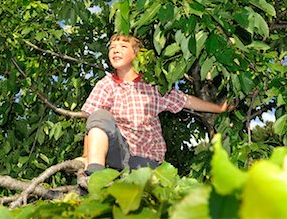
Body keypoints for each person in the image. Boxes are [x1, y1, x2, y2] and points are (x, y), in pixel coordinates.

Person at [78, 34, 231, 175]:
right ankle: (94, 172)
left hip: (146, 155)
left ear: (136, 54)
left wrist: (218, 108)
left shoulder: (152, 87)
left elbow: (185, 100)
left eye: (123, 47)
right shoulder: (106, 85)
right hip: (119, 151)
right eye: (112, 48)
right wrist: (86, 156)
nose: (116, 50)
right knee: (99, 115)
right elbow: (93, 125)